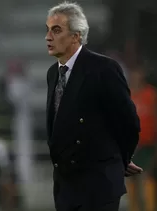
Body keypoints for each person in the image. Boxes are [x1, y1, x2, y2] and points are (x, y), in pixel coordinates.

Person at [45, 2, 142, 211]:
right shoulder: (52, 74)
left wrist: (121, 160)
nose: (48, 37)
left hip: (98, 186)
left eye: (56, 30)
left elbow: (129, 122)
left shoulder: (104, 69)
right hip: (66, 188)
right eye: (48, 30)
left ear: (76, 36)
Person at [127, 65, 157, 211]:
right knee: (132, 182)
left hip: (147, 146)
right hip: (130, 147)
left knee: (147, 179)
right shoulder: (126, 95)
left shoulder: (151, 94)